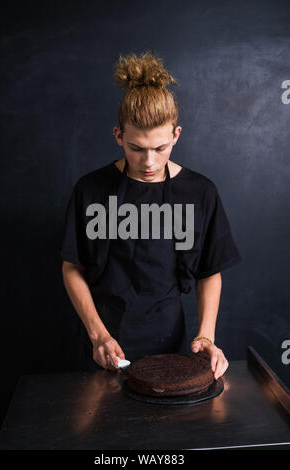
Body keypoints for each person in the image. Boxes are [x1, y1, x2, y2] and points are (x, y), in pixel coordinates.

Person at [60, 51, 242, 379]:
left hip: (169, 345)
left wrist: (206, 336)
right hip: (100, 346)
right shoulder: (90, 190)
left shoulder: (200, 192)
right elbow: (72, 267)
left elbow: (210, 271)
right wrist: (98, 335)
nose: (149, 162)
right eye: (136, 148)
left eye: (160, 148)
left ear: (176, 135)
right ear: (118, 136)